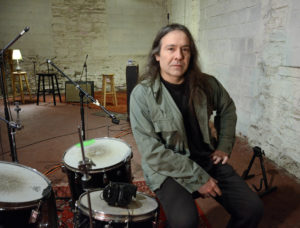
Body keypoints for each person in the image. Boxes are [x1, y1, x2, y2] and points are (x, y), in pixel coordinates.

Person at [129, 23, 263, 228]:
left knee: (252, 209)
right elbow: (153, 153)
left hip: (206, 158)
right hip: (167, 168)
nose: (178, 56)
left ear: (191, 55)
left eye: (185, 49)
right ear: (157, 55)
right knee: (185, 222)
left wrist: (224, 145)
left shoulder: (207, 84)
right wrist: (198, 178)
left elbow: (227, 108)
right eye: (171, 48)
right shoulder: (142, 95)